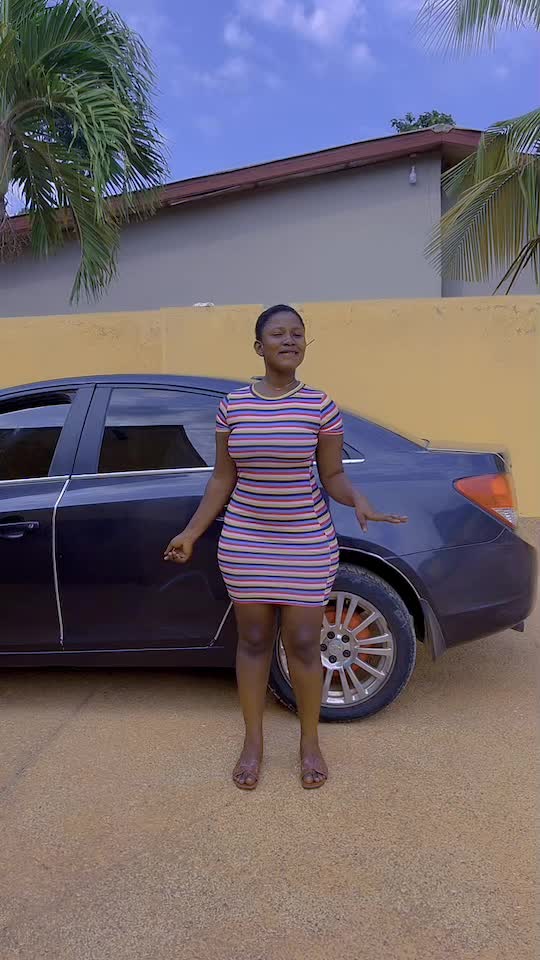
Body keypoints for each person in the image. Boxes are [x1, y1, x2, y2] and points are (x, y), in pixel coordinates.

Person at [164, 305, 407, 790]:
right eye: (278, 333)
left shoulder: (320, 406)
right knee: (254, 641)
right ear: (259, 347)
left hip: (306, 542)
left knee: (303, 644)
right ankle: (253, 743)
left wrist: (357, 498)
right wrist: (191, 532)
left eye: (298, 333)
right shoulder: (233, 406)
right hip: (246, 542)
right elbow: (222, 479)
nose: (289, 340)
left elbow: (332, 475)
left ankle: (309, 743)